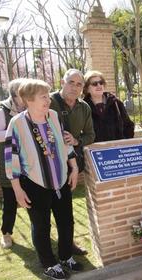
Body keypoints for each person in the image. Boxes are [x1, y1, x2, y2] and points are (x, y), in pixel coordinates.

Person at [5, 79, 83, 280]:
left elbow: (65, 142)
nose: (48, 100)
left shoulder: (54, 116)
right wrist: (17, 189)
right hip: (34, 183)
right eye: (43, 97)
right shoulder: (17, 123)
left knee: (67, 221)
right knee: (41, 225)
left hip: (61, 178)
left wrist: (73, 168)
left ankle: (66, 256)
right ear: (29, 100)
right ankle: (49, 263)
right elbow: (10, 158)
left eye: (48, 96)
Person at [50, 68, 95, 256]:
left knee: (65, 209)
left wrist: (76, 141)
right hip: (47, 163)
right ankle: (45, 250)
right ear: (62, 82)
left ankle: (68, 244)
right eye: (71, 82)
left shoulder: (84, 107)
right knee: (43, 211)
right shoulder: (48, 101)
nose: (75, 87)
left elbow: (91, 135)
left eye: (79, 84)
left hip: (70, 165)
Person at [0, 78, 27, 248]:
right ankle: (6, 233)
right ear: (15, 93)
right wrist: (15, 131)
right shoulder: (2, 112)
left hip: (29, 163)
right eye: (23, 90)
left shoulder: (30, 108)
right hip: (9, 164)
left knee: (35, 200)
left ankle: (39, 232)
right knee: (10, 202)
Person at [83, 70, 135, 142]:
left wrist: (124, 143)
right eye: (94, 84)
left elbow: (128, 126)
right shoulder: (83, 107)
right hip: (95, 151)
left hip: (117, 149)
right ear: (87, 88)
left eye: (101, 83)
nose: (99, 86)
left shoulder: (116, 103)